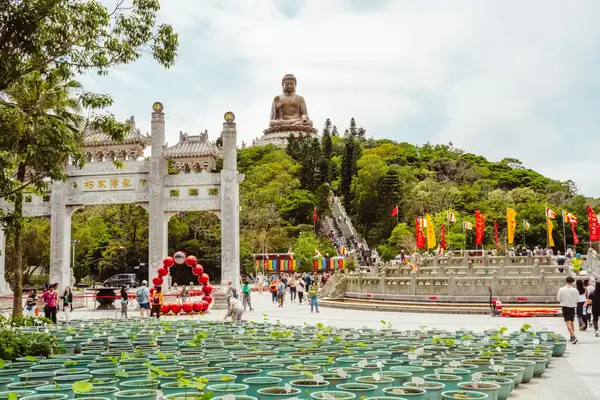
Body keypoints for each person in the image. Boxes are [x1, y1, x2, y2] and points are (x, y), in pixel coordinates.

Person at [557, 276, 579, 344]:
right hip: (572, 307)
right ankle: (571, 336)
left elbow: (558, 299)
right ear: (572, 282)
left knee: (568, 323)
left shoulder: (561, 289)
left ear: (565, 281)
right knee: (572, 322)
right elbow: (577, 299)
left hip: (565, 307)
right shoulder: (575, 290)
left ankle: (573, 335)